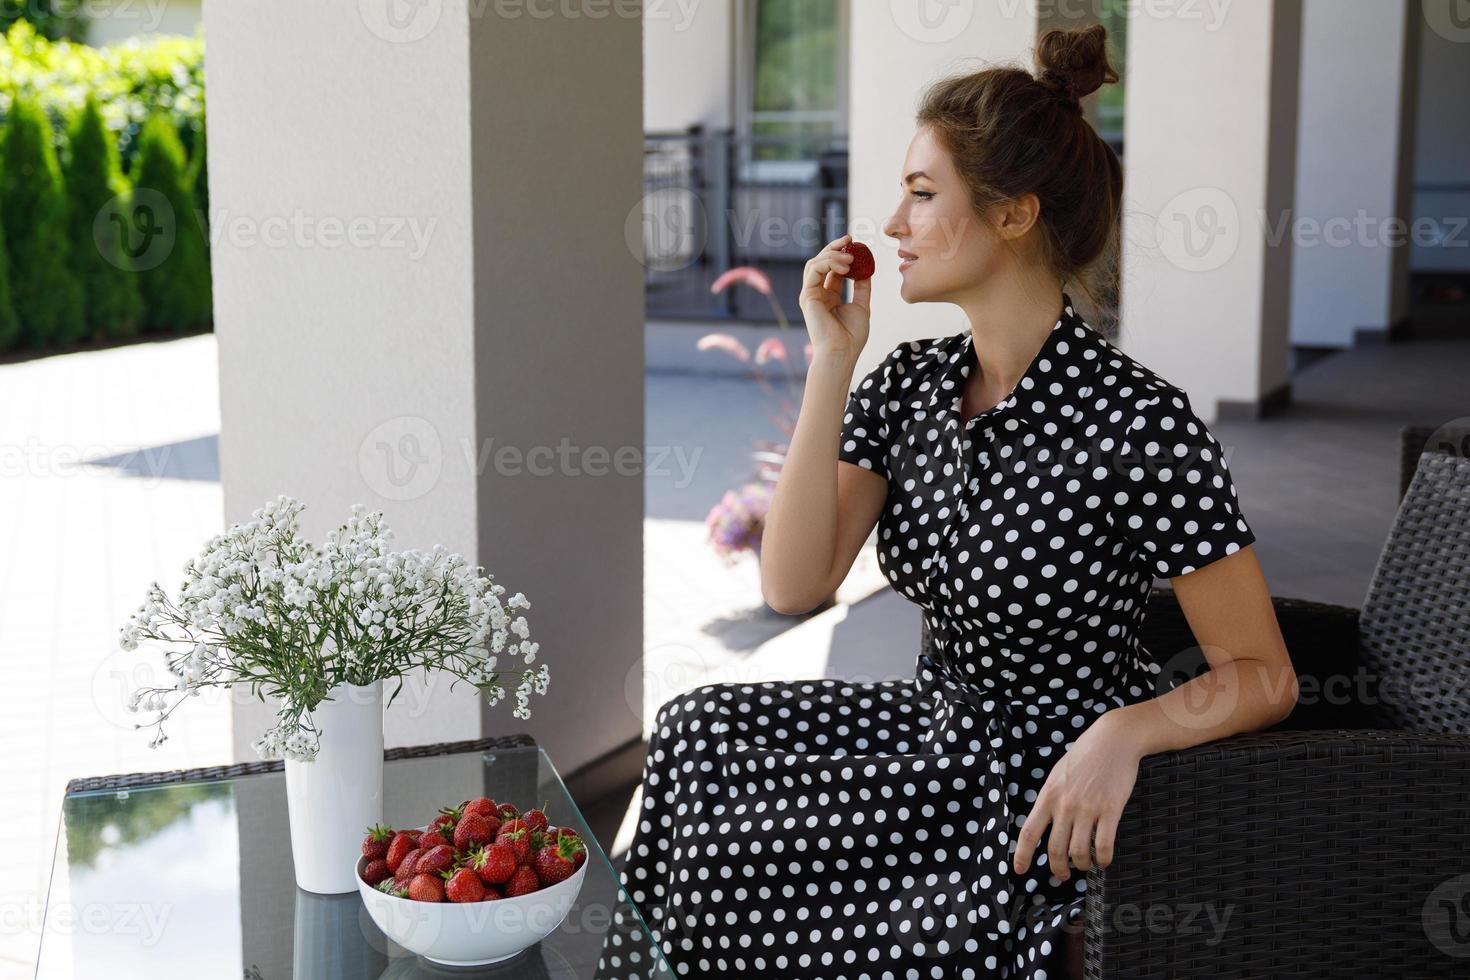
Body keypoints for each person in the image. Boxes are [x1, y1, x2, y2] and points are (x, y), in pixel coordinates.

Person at [598, 23, 1298, 980]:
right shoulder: (910, 386)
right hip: (936, 730)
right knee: (695, 732)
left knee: (734, 866)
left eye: (923, 195)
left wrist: (1130, 729)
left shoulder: (1139, 424)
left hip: (1039, 780)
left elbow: (1265, 674)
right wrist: (833, 360)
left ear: (1014, 216)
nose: (892, 223)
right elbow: (793, 586)